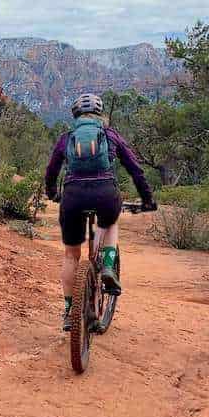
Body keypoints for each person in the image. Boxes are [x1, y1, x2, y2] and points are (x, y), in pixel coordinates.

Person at [44, 93, 156, 331]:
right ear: (100, 114)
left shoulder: (67, 138)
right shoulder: (110, 135)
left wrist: (53, 194)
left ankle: (68, 310)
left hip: (73, 197)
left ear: (76, 116)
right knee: (110, 222)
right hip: (105, 193)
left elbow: (51, 171)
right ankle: (106, 266)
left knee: (70, 256)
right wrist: (147, 198)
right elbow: (135, 170)